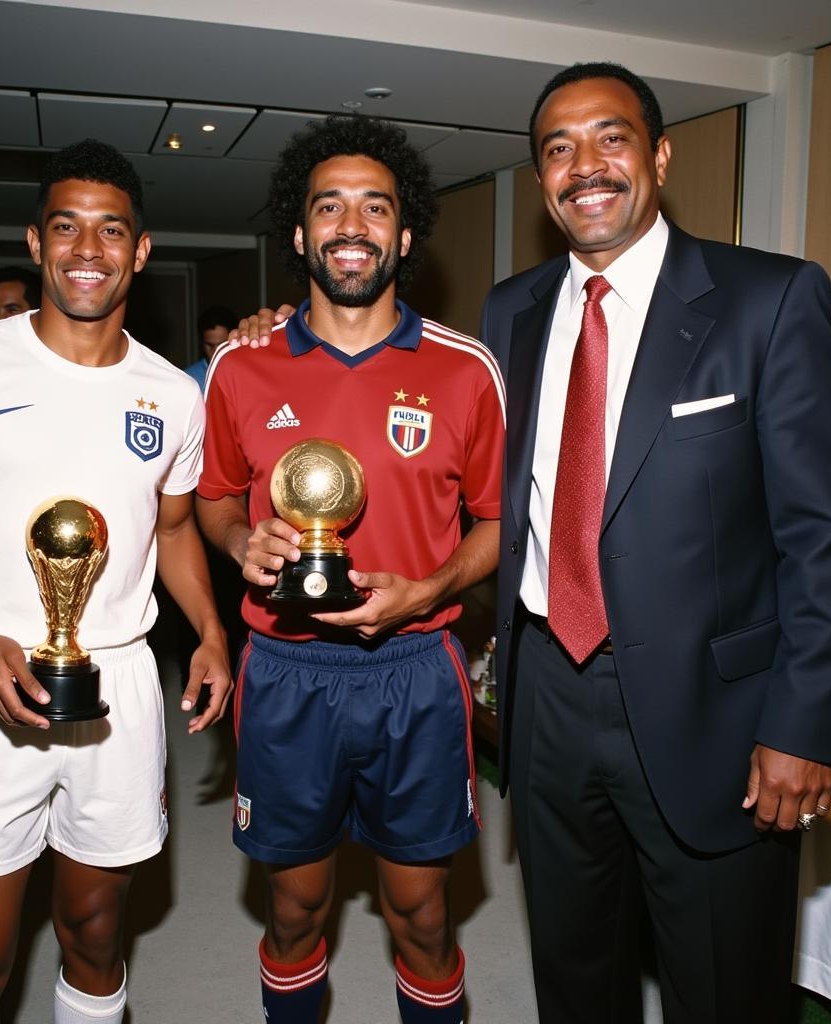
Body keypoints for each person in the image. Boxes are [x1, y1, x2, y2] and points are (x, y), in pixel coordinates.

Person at [480, 62, 831, 1022]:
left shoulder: (768, 299)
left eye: (610, 137)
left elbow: (829, 536)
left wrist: (802, 725)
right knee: (576, 980)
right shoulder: (511, 313)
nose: (585, 166)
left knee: (723, 987)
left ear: (658, 153)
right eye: (558, 149)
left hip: (720, 714)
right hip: (550, 699)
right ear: (541, 180)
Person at [0, 138, 231, 1024]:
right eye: (67, 227)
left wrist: (210, 632)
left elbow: (173, 528)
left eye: (111, 231)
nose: (87, 250)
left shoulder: (172, 394)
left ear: (140, 251)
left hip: (122, 689)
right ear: (35, 241)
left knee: (96, 935)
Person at [195, 114, 505, 1024]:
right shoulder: (241, 367)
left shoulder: (466, 370)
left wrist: (433, 588)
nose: (352, 225)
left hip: (417, 672)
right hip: (286, 671)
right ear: (300, 235)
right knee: (294, 910)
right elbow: (211, 499)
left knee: (423, 913)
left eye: (376, 207)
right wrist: (235, 542)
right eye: (329, 206)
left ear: (404, 236)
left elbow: (495, 526)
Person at [184, 305, 237, 393]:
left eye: (221, 345)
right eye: (210, 345)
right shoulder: (189, 379)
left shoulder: (245, 374)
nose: (215, 352)